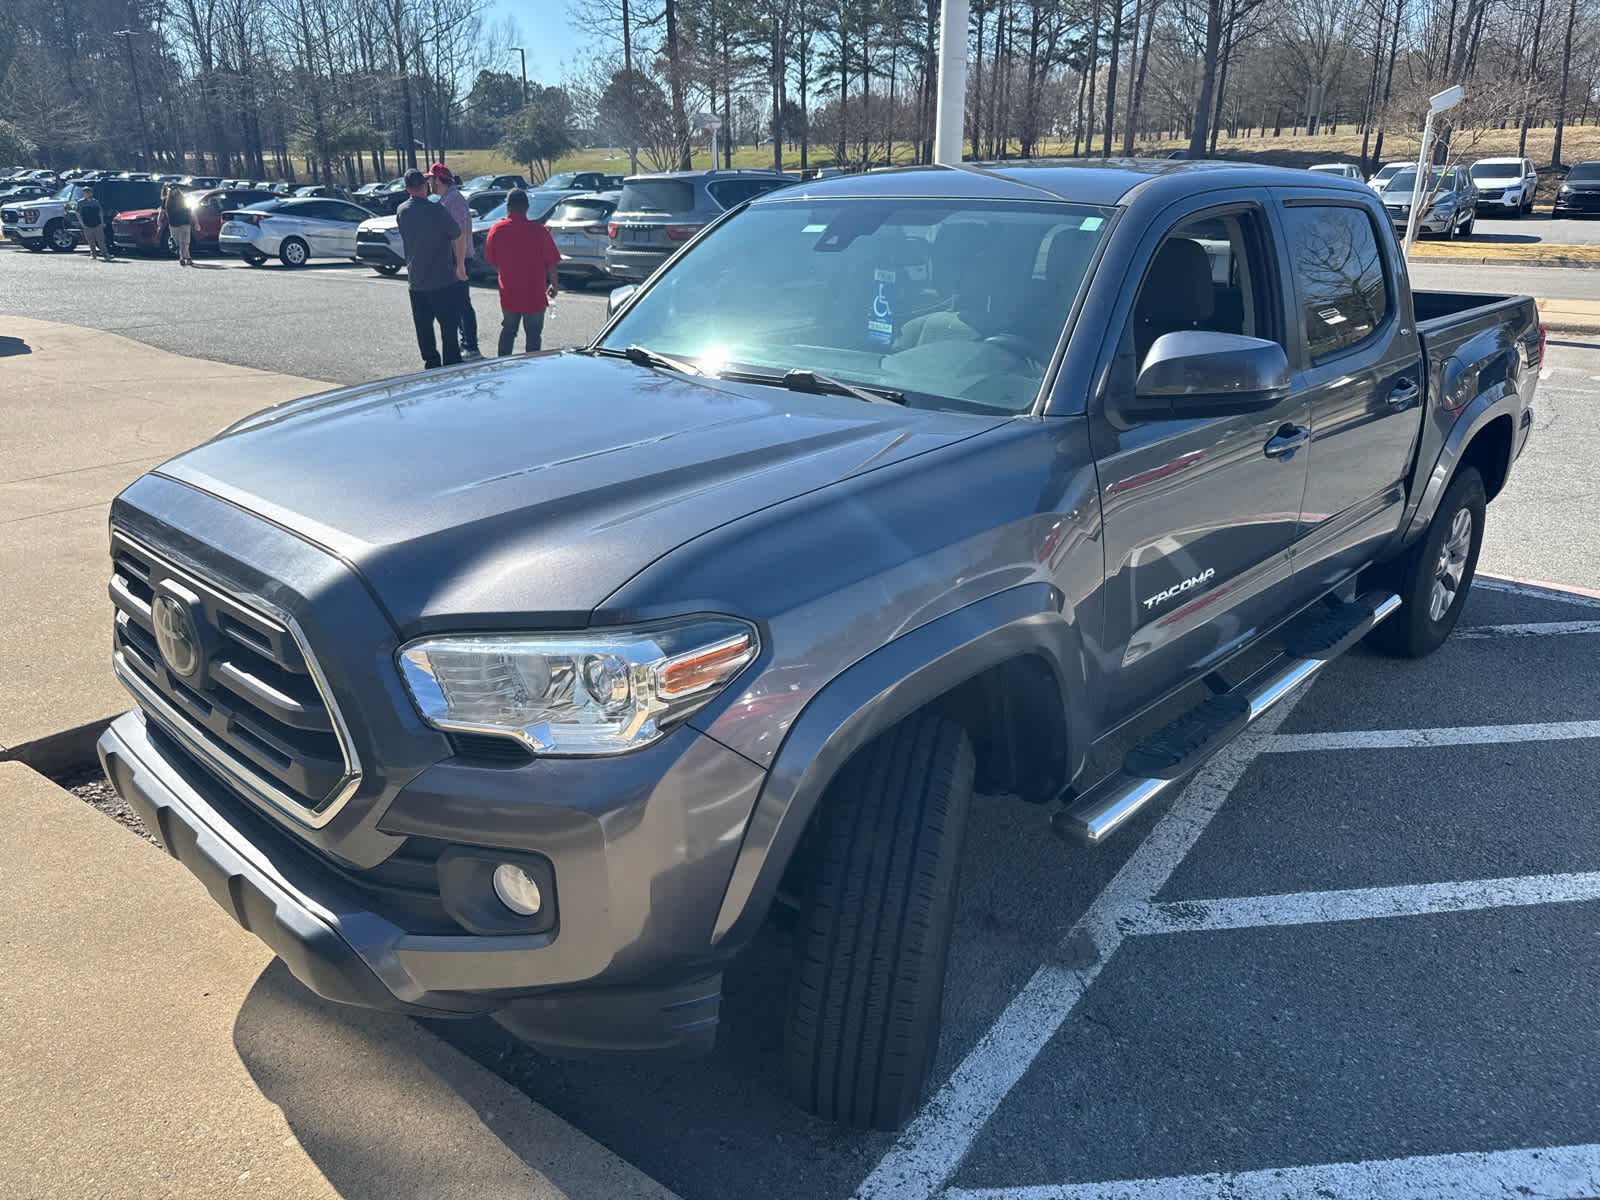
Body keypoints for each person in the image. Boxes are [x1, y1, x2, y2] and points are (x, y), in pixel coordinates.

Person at [396, 167, 467, 369]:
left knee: (424, 327)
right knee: (448, 326)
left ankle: (431, 362)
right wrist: (460, 264)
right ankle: (452, 363)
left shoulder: (402, 211)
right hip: (443, 278)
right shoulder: (437, 210)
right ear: (425, 186)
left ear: (406, 188)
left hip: (417, 279)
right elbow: (458, 234)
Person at [483, 188, 561, 355]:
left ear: (508, 206)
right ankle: (531, 367)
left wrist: (506, 271)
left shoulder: (497, 230)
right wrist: (554, 284)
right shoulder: (539, 231)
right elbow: (551, 262)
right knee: (533, 335)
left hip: (509, 292)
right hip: (535, 294)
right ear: (527, 207)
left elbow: (491, 259)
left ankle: (503, 364)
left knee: (508, 331)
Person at [428, 163, 480, 359]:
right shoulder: (447, 199)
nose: (429, 183)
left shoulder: (454, 201)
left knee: (461, 304)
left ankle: (470, 345)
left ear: (439, 180)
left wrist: (458, 264)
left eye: (431, 179)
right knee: (457, 303)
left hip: (460, 259)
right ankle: (466, 343)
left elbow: (457, 235)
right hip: (455, 259)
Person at [163, 184, 193, 266]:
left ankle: (183, 258)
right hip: (173, 223)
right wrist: (160, 217)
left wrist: (195, 221)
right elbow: (163, 210)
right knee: (177, 243)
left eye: (174, 189)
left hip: (185, 222)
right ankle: (187, 257)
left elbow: (190, 210)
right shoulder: (167, 200)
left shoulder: (184, 199)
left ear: (177, 190)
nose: (173, 191)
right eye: (171, 190)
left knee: (185, 241)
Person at [78, 187, 110, 261]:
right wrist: (82, 224)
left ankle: (105, 254)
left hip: (97, 224)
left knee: (101, 240)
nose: (87, 194)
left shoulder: (96, 202)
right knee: (91, 241)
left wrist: (102, 223)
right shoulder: (80, 203)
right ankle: (93, 254)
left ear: (91, 193)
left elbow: (100, 212)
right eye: (85, 192)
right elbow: (78, 214)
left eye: (89, 192)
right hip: (87, 224)